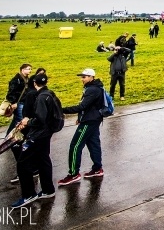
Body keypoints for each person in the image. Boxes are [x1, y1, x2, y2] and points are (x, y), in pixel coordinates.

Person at [12, 72, 58, 207]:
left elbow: (38, 118)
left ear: (33, 83)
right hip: (46, 133)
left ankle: (28, 194)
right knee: (43, 159)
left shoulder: (36, 96)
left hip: (37, 134)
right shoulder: (50, 94)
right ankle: (48, 189)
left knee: (22, 163)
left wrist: (27, 123)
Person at [58, 68, 105, 186]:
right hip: (94, 119)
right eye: (81, 77)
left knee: (75, 146)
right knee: (93, 143)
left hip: (89, 121)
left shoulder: (92, 90)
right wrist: (80, 117)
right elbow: (88, 107)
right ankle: (97, 168)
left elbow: (82, 106)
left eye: (84, 77)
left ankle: (73, 174)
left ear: (91, 77)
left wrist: (62, 110)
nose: (82, 79)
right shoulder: (96, 87)